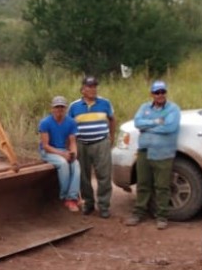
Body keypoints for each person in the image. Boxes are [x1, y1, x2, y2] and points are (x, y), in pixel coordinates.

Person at [124, 80, 181, 230]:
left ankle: (162, 216)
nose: (160, 95)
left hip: (163, 153)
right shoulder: (144, 107)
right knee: (143, 184)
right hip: (144, 151)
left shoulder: (173, 109)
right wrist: (156, 121)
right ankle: (138, 213)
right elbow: (137, 123)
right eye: (157, 92)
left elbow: (170, 127)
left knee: (162, 186)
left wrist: (148, 127)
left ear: (166, 93)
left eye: (162, 92)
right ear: (152, 94)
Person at [68, 76, 116, 218]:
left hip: (101, 143)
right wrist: (70, 146)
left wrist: (111, 137)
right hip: (81, 144)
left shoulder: (105, 103)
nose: (93, 89)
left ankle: (104, 206)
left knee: (104, 175)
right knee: (83, 176)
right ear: (82, 89)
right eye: (90, 87)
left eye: (95, 86)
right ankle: (88, 204)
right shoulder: (74, 106)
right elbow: (70, 126)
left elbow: (112, 119)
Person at [39, 95, 81, 212]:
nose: (59, 110)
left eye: (62, 107)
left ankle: (72, 198)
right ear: (52, 109)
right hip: (48, 151)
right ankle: (64, 195)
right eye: (57, 107)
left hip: (63, 150)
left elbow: (72, 142)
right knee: (63, 164)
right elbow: (46, 146)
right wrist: (63, 155)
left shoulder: (71, 122)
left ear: (65, 108)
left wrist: (73, 153)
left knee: (76, 165)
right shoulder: (45, 123)